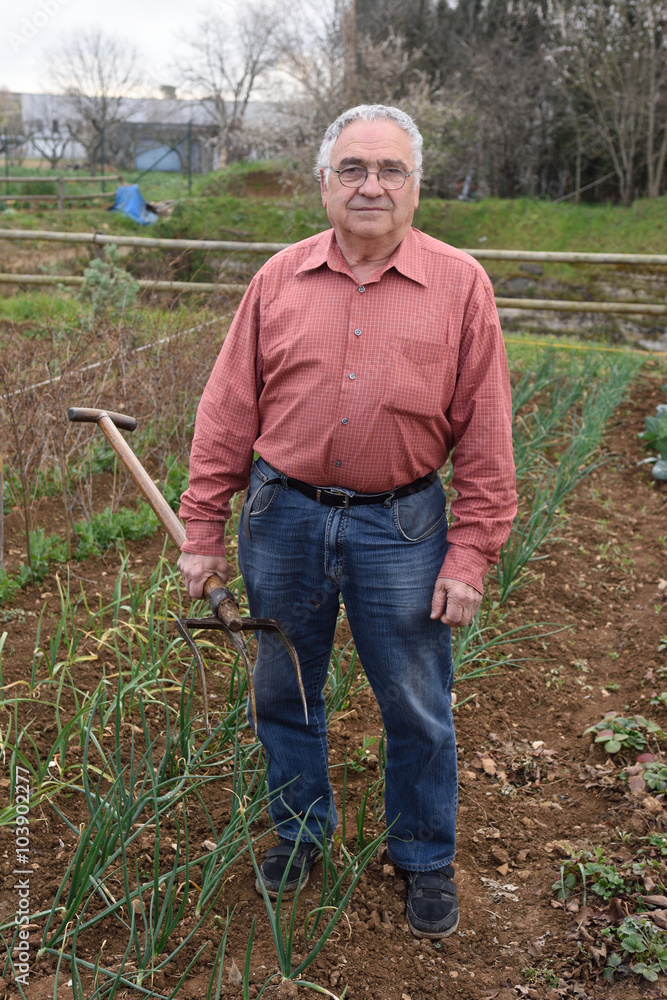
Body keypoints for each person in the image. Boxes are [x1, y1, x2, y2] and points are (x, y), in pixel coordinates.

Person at [178, 104, 517, 940]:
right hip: (282, 518)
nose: (371, 185)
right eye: (353, 169)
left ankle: (423, 855)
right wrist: (201, 531)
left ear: (415, 185)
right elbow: (226, 411)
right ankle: (298, 832)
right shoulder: (278, 279)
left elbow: (484, 432)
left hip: (401, 529)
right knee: (283, 688)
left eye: (389, 169)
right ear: (324, 182)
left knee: (413, 701)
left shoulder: (459, 284)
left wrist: (469, 552)